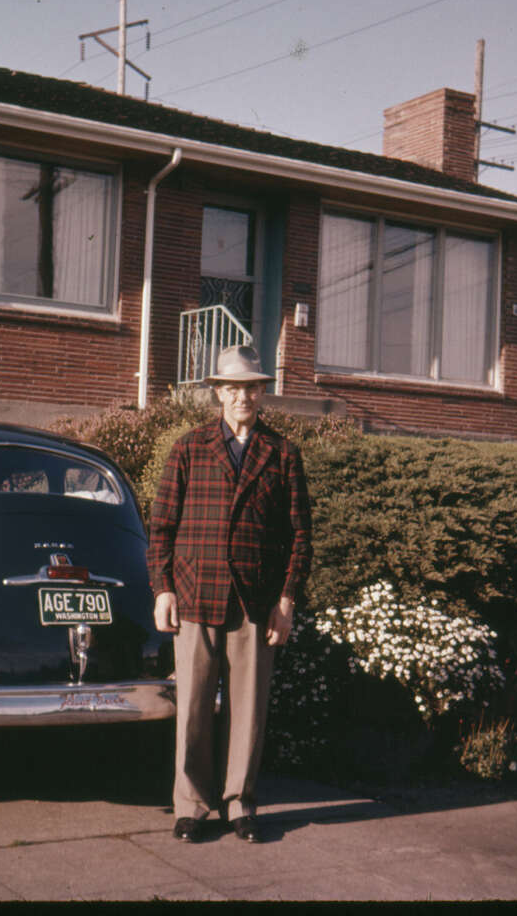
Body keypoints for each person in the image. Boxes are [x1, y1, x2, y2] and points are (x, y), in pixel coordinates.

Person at [147, 344, 312, 844]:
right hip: (196, 595)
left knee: (249, 709)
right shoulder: (189, 447)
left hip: (255, 603)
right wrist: (162, 589)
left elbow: (300, 536)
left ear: (262, 393)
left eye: (251, 387)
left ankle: (240, 804)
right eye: (233, 387)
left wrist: (285, 600)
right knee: (194, 707)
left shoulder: (282, 453)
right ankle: (191, 807)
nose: (243, 396)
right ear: (218, 392)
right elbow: (162, 526)